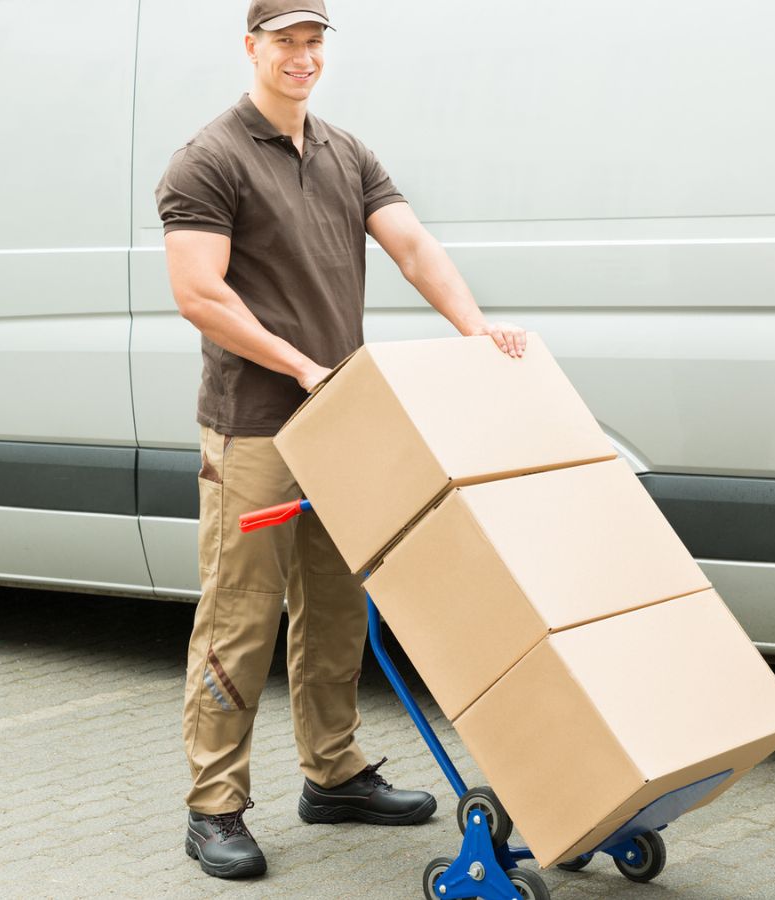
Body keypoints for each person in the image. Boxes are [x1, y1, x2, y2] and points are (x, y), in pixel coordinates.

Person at [155, 0, 527, 881]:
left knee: (336, 604)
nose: (303, 56)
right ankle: (215, 805)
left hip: (340, 422)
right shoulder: (208, 159)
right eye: (286, 41)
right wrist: (301, 367)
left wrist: (475, 329)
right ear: (252, 47)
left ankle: (335, 774)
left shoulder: (344, 151)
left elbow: (412, 246)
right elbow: (199, 293)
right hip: (254, 425)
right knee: (239, 616)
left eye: (315, 41)